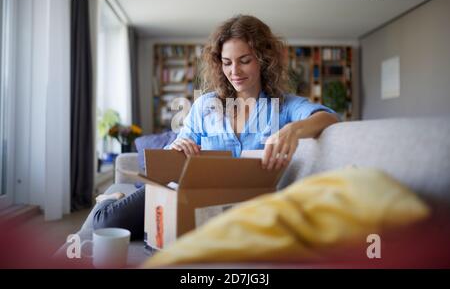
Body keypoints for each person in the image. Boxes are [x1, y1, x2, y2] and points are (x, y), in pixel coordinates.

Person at [93, 15, 339, 239]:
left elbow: (328, 117)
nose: (235, 71)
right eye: (227, 62)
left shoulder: (283, 106)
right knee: (106, 222)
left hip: (241, 204)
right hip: (188, 192)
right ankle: (111, 197)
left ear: (263, 60)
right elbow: (172, 154)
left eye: (244, 61)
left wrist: (291, 130)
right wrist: (177, 146)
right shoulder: (205, 105)